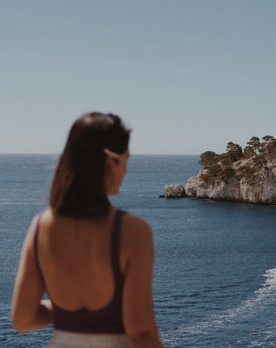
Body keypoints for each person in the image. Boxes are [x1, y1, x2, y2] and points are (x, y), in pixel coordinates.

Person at [11, 112, 164, 348]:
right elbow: (141, 332)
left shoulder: (41, 225)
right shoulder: (134, 232)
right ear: (110, 161)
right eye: (125, 160)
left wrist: (66, 311)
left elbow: (22, 319)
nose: (125, 170)